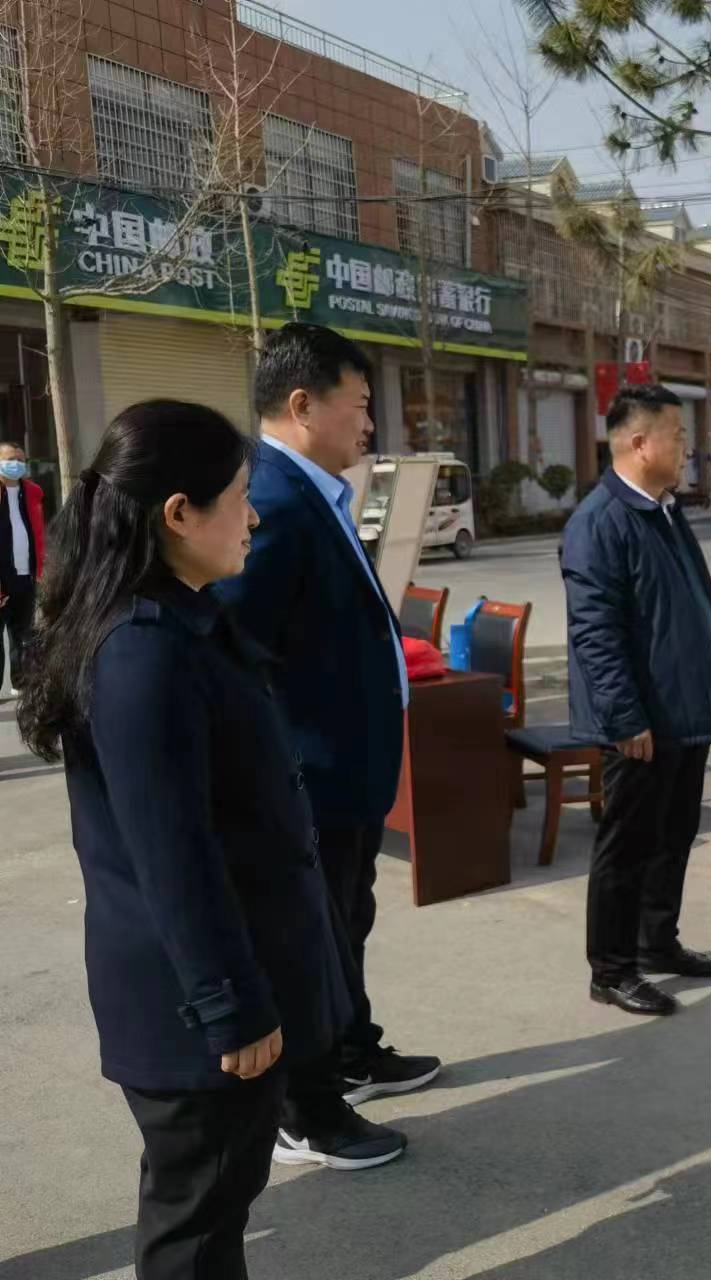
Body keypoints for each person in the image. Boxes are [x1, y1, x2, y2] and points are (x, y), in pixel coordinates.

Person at [16, 402, 352, 1279]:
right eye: (240, 498)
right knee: (196, 1224)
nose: (254, 518)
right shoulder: (143, 651)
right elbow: (174, 858)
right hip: (193, 1005)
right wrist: (229, 1007)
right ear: (178, 513)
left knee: (209, 1202)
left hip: (210, 984)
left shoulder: (179, 616)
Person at [215, 323, 436, 1171]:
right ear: (304, 406)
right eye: (361, 405)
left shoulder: (313, 492)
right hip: (307, 777)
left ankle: (349, 1048)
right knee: (308, 944)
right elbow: (238, 659)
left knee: (344, 924)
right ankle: (306, 1111)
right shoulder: (269, 500)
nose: (371, 424)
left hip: (344, 772)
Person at [561, 384, 711, 1016]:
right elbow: (595, 633)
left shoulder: (662, 510)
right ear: (639, 443)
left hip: (685, 712)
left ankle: (656, 941)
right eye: (677, 436)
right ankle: (611, 969)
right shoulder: (599, 522)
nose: (688, 448)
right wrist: (626, 717)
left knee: (673, 835)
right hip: (642, 722)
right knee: (627, 845)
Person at [0, 440, 46, 699]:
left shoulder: (32, 492)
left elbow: (37, 533)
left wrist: (40, 569)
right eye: (10, 459)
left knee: (23, 634)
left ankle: (21, 684)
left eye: (20, 460)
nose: (16, 464)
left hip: (25, 574)